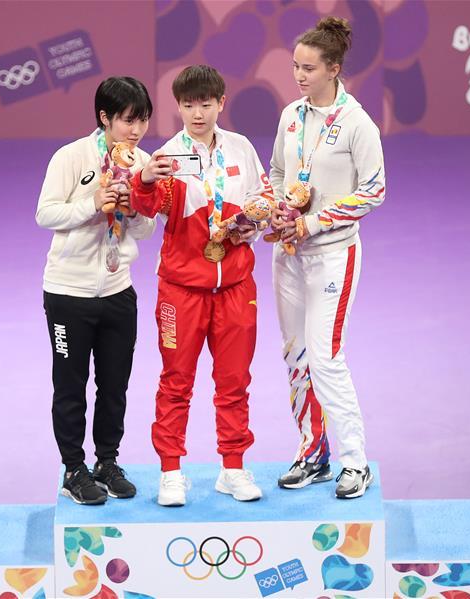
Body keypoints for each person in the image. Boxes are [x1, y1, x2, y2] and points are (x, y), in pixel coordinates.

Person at [130, 65, 274, 506]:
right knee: (176, 381)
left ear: (221, 103)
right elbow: (148, 207)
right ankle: (171, 472)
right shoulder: (167, 157)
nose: (198, 113)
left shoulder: (241, 148)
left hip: (235, 288)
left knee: (234, 381)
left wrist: (253, 220)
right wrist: (145, 180)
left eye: (206, 104)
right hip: (182, 291)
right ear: (177, 106)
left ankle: (233, 467)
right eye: (189, 105)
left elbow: (264, 196)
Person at [269, 16, 387, 499]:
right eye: (295, 66)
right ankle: (313, 452)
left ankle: (355, 462)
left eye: (309, 68)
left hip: (334, 256)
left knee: (325, 358)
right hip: (288, 254)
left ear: (334, 69)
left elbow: (374, 191)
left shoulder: (357, 124)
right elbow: (278, 172)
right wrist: (280, 210)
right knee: (296, 356)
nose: (299, 76)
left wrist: (313, 223)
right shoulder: (290, 116)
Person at [35, 76, 156, 505]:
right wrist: (93, 204)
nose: (136, 130)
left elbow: (146, 229)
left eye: (142, 120)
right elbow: (45, 213)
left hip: (118, 291)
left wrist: (133, 209)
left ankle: (107, 462)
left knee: (114, 385)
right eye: (127, 120)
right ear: (105, 117)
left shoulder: (143, 163)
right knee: (71, 386)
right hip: (69, 293)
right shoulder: (71, 157)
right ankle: (74, 469)